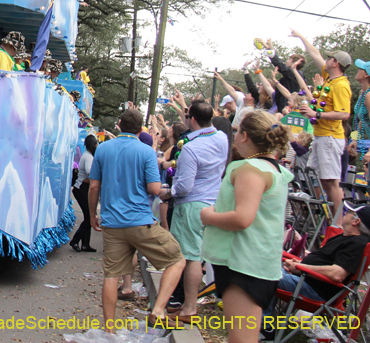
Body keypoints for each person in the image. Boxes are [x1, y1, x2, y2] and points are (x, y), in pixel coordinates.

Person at [200, 111, 294, 343]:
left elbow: (243, 218)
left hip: (242, 264)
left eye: (237, 130)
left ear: (245, 136)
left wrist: (208, 216)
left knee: (242, 337)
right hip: (256, 262)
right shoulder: (273, 169)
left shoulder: (251, 169)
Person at [89, 108, 185, 329]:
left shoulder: (103, 149)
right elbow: (152, 187)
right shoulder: (146, 151)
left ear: (119, 124)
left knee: (111, 276)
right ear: (141, 129)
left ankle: (110, 328)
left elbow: (94, 185)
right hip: (140, 221)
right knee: (177, 260)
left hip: (112, 222)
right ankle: (159, 309)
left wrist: (94, 213)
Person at [158, 100, 228, 322]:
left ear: (192, 119)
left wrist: (168, 192)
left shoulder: (190, 148)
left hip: (190, 204)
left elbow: (184, 186)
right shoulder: (221, 138)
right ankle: (187, 305)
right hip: (212, 201)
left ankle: (188, 307)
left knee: (190, 258)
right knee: (196, 255)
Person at [262, 202, 370, 338]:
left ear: (356, 221)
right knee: (262, 262)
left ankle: (264, 328)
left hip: (314, 291)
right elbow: (323, 262)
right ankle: (263, 324)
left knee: (262, 274)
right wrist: (299, 263)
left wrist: (301, 268)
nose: (344, 213)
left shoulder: (357, 244)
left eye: (348, 212)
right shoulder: (344, 237)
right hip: (304, 278)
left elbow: (337, 274)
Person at [290, 30, 351, 216]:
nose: (326, 59)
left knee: (332, 181)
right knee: (318, 179)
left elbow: (344, 114)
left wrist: (316, 113)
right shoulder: (330, 79)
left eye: (330, 58)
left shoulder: (340, 85)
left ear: (336, 63)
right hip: (321, 136)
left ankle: (337, 223)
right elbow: (314, 53)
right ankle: (326, 217)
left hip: (330, 138)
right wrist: (301, 36)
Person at [70, 134, 98, 252]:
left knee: (89, 215)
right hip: (81, 189)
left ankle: (85, 244)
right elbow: (91, 173)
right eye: (96, 144)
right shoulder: (88, 157)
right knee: (89, 218)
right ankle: (75, 240)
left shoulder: (88, 155)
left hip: (84, 188)